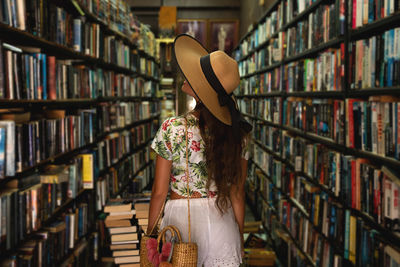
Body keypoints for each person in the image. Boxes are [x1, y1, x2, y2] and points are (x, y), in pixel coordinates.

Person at [147, 34, 252, 267]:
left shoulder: (172, 128)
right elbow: (237, 193)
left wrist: (151, 237)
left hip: (180, 224)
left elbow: (158, 191)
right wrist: (238, 238)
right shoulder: (239, 135)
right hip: (222, 225)